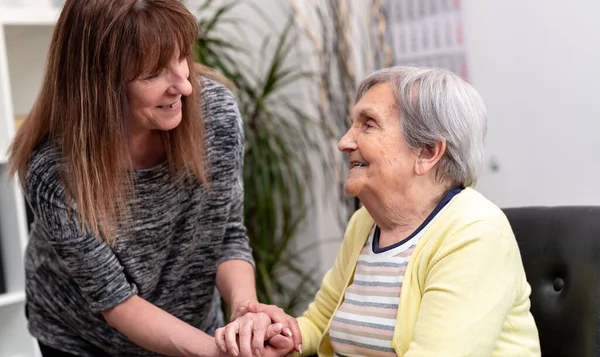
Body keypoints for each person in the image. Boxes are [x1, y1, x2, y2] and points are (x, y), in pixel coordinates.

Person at [7, 0, 299, 356]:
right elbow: (117, 302)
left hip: (192, 329)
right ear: (100, 83)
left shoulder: (215, 117)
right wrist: (219, 353)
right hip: (82, 339)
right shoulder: (53, 171)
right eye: (154, 73)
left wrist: (245, 319)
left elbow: (225, 236)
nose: (185, 85)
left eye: (181, 58)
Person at [216, 66, 542, 357]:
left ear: (427, 152)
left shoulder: (474, 233)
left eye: (368, 125)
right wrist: (286, 335)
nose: (345, 142)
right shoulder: (366, 222)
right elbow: (320, 321)